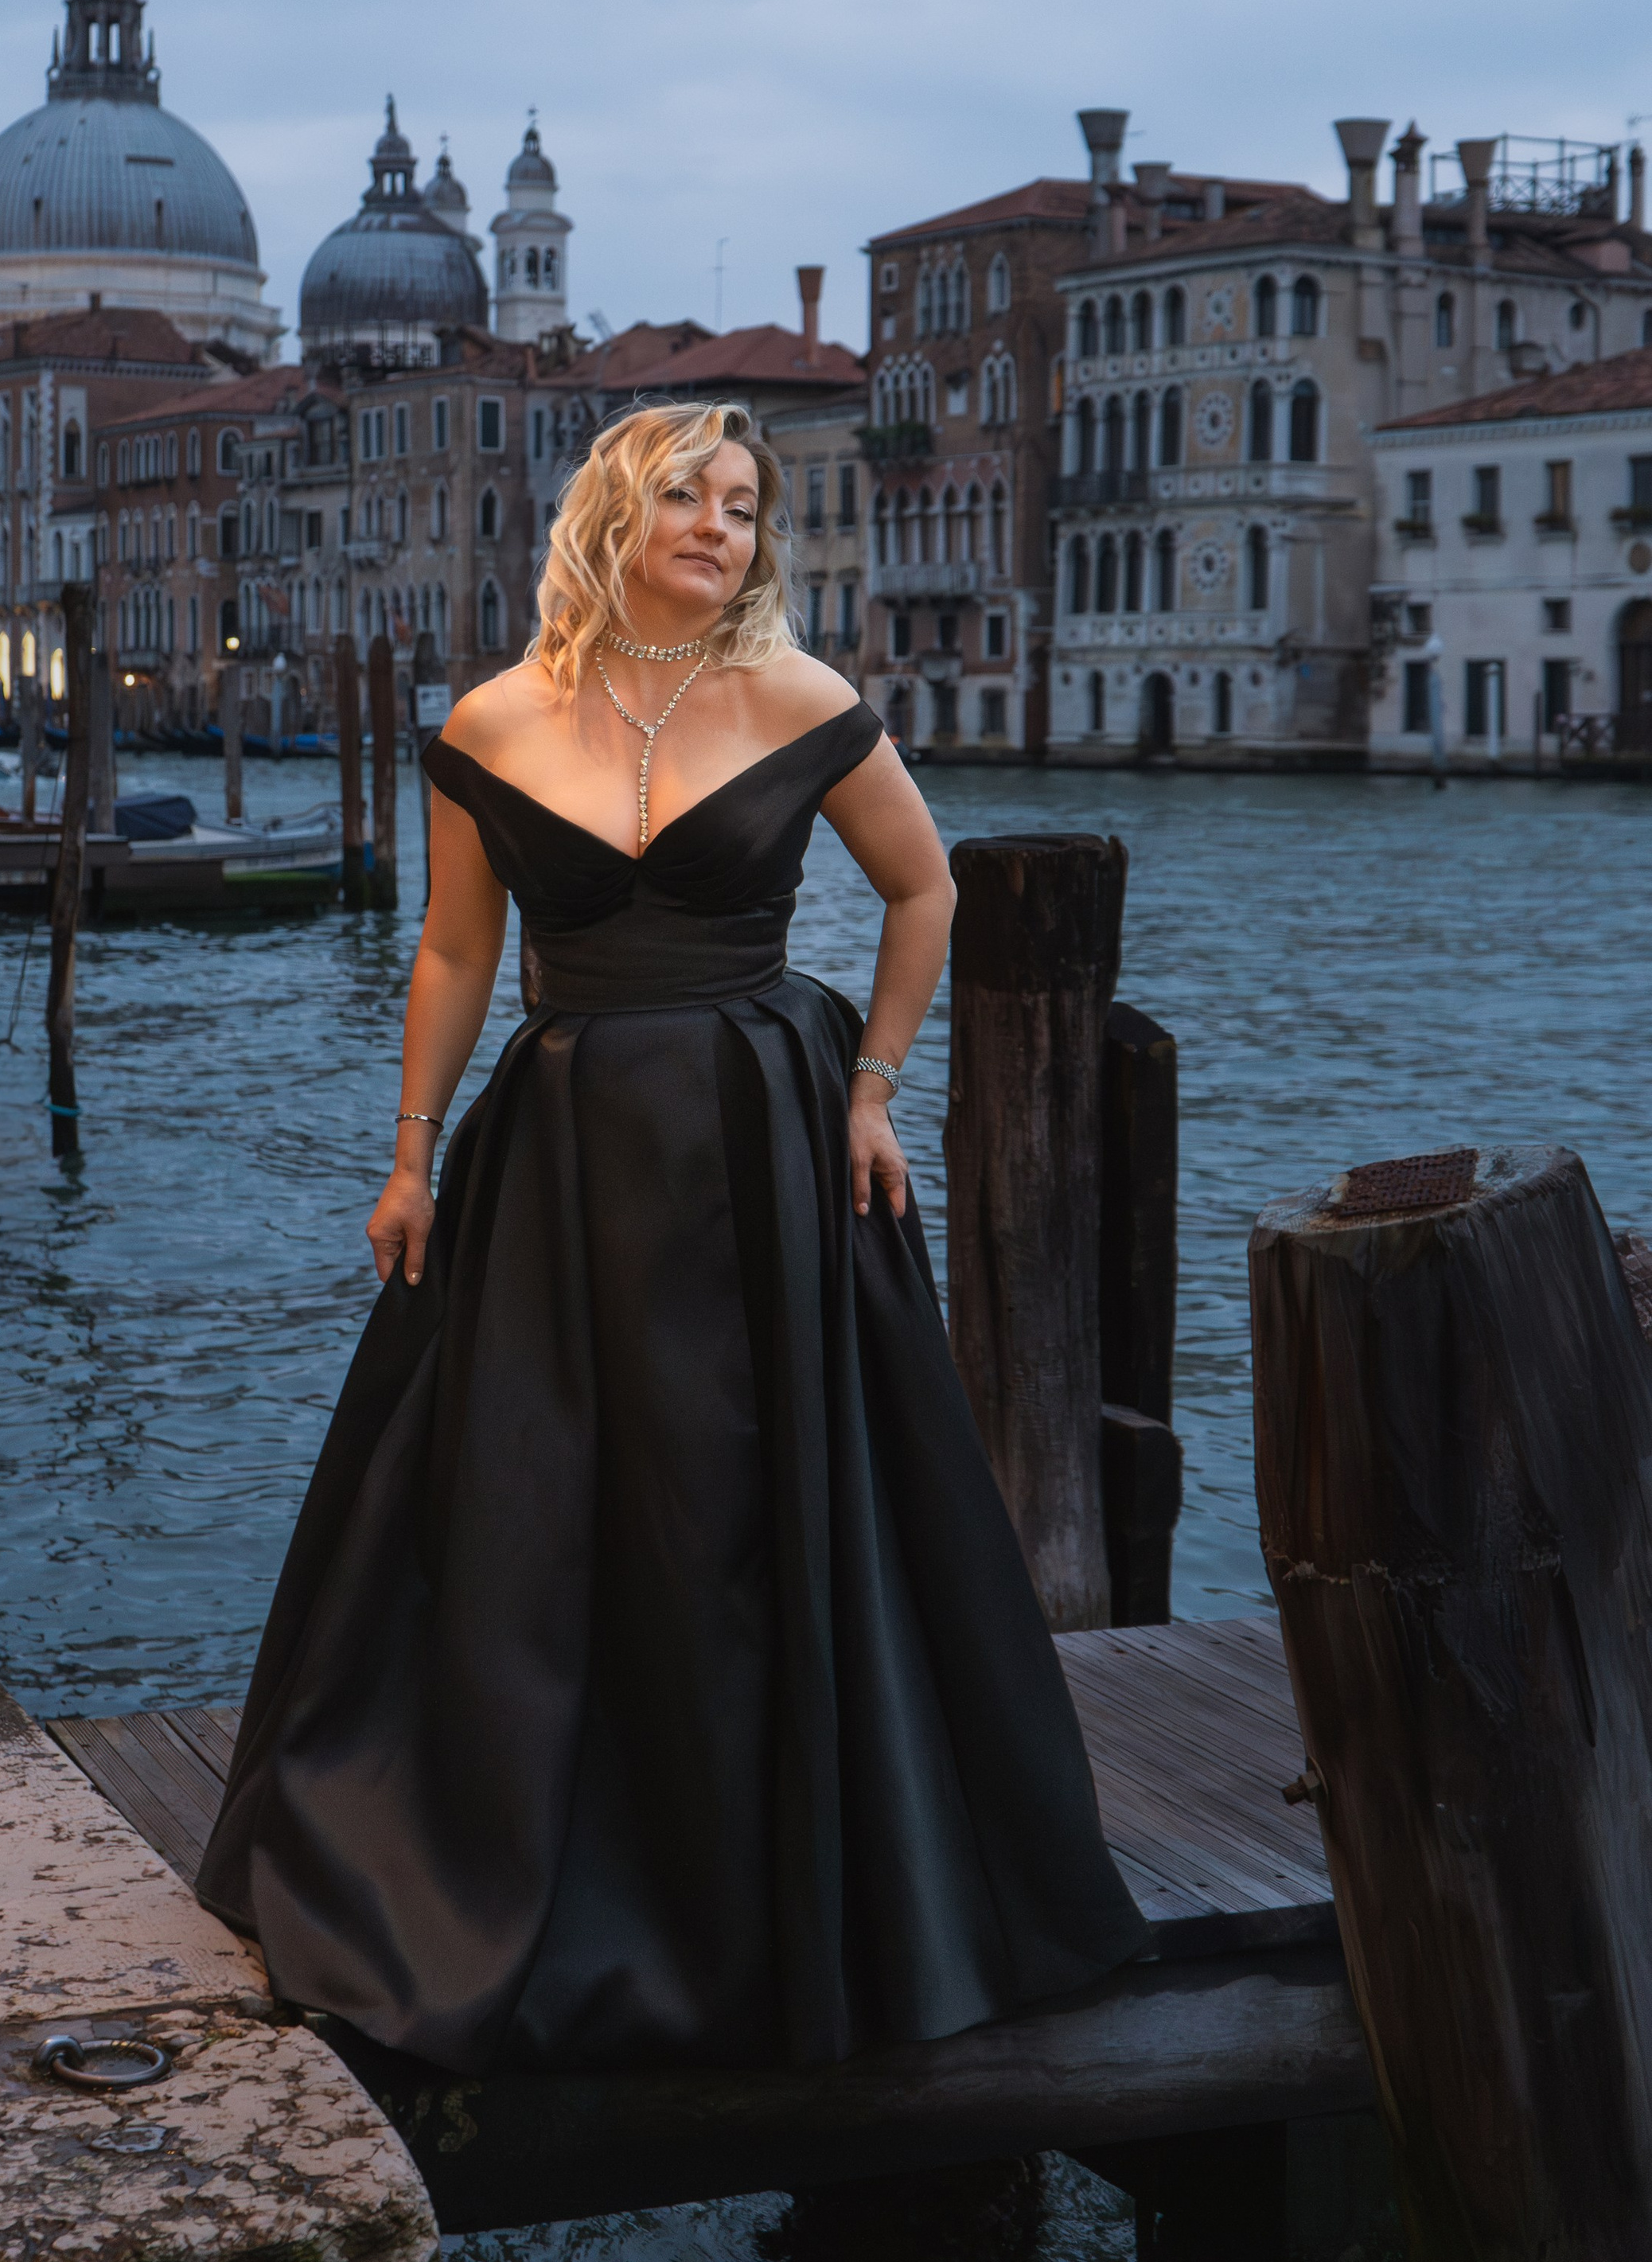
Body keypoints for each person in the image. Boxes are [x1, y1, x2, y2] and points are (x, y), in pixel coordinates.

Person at [197, 400, 1144, 2073]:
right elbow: (449, 953)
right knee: (535, 1493)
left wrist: (870, 1093)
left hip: (761, 1135)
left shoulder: (802, 697)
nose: (721, 525)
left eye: (743, 506)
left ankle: (797, 1874)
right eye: (688, 497)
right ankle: (535, 1843)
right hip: (555, 1146)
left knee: (738, 1497)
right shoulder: (492, 720)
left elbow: (923, 891)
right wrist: (408, 1158)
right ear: (613, 515)